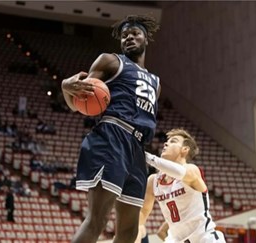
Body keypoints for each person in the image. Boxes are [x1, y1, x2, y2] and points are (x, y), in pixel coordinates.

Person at [61, 15, 160, 243]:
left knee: (129, 231)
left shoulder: (156, 81)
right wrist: (66, 87)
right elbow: (77, 103)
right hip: (112, 136)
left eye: (135, 33)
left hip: (137, 148)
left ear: (146, 38)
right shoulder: (110, 61)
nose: (129, 38)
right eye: (124, 35)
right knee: (97, 219)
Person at [137, 128, 226, 243]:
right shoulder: (153, 180)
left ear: (184, 149)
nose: (166, 143)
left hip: (204, 238)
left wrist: (145, 156)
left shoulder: (192, 170)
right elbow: (143, 214)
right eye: (167, 141)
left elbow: (180, 172)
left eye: (173, 141)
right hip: (176, 239)